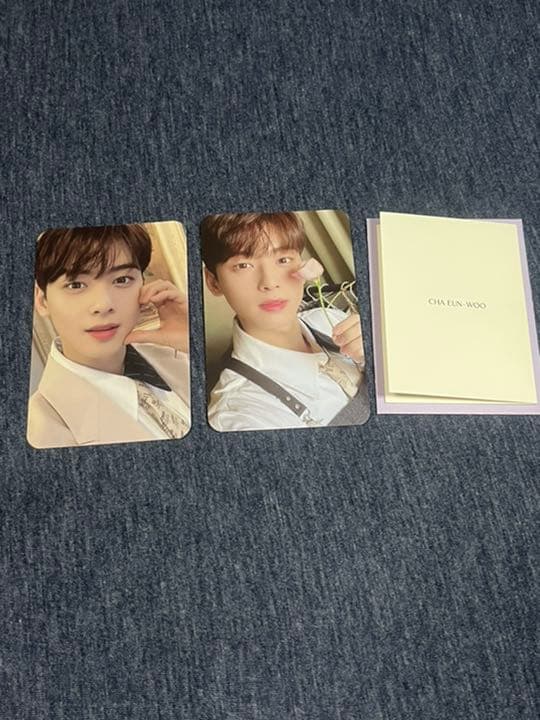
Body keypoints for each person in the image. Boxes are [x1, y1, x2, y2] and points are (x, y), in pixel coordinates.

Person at [200, 211, 369, 431]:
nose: (270, 283)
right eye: (243, 265)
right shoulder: (240, 415)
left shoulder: (327, 319)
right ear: (213, 282)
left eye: (283, 260)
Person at [27, 223, 191, 448]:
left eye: (121, 280)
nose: (103, 304)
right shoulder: (41, 433)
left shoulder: (180, 355)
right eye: (76, 285)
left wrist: (192, 342)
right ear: (42, 300)